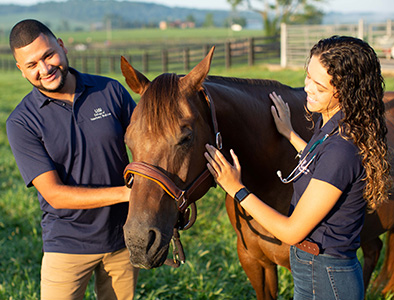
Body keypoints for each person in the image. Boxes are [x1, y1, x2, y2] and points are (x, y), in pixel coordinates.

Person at [204, 35, 391, 299]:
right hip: (316, 271)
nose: (307, 89)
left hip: (327, 279)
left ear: (347, 92)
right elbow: (322, 168)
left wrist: (237, 189)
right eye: (308, 77)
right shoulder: (330, 125)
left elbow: (292, 232)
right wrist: (290, 133)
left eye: (320, 86)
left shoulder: (341, 148)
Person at [6, 19, 139, 300]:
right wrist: (128, 194)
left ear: (62, 46)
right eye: (32, 65)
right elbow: (55, 195)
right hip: (65, 245)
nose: (44, 69)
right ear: (21, 70)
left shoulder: (111, 91)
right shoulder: (22, 122)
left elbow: (149, 144)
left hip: (122, 239)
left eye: (48, 55)